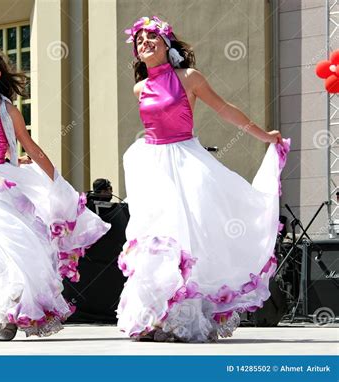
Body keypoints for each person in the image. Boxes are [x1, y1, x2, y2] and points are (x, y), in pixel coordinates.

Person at [117, 16, 290, 342]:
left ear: (167, 43)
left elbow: (224, 109)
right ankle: (157, 317)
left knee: (187, 236)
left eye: (151, 36)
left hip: (185, 159)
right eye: (139, 40)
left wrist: (264, 135)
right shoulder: (140, 88)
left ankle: (183, 320)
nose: (145, 43)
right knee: (155, 241)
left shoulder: (188, 78)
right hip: (152, 164)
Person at [0, 46, 110, 342]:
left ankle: (9, 314)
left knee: (3, 250)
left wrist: (55, 181)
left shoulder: (6, 108)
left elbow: (28, 144)